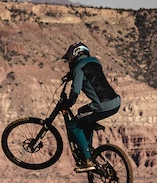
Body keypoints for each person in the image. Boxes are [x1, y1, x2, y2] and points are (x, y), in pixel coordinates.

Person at [45, 42, 121, 172]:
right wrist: (71, 75)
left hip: (101, 106)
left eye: (69, 58)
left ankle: (87, 160)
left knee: (73, 125)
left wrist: (69, 102)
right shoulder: (96, 62)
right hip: (115, 102)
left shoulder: (78, 67)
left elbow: (76, 90)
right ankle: (88, 149)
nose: (69, 61)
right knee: (82, 112)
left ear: (74, 55)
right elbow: (91, 74)